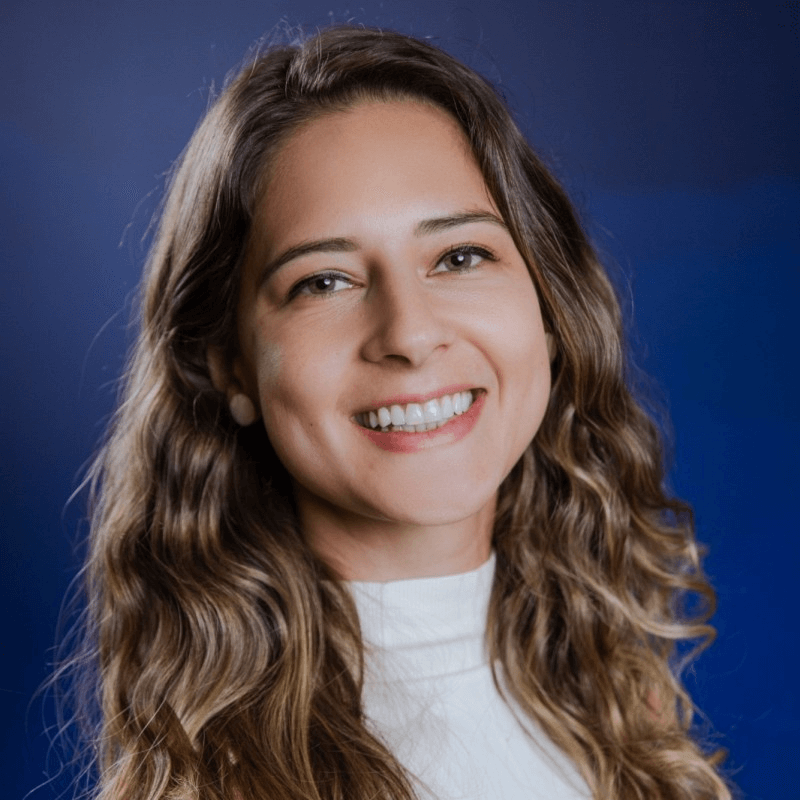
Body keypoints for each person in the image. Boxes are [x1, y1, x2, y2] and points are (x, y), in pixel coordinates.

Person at [65, 25, 733, 800]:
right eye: (324, 281)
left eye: (459, 257)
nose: (410, 335)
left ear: (550, 308)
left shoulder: (623, 710)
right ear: (231, 366)